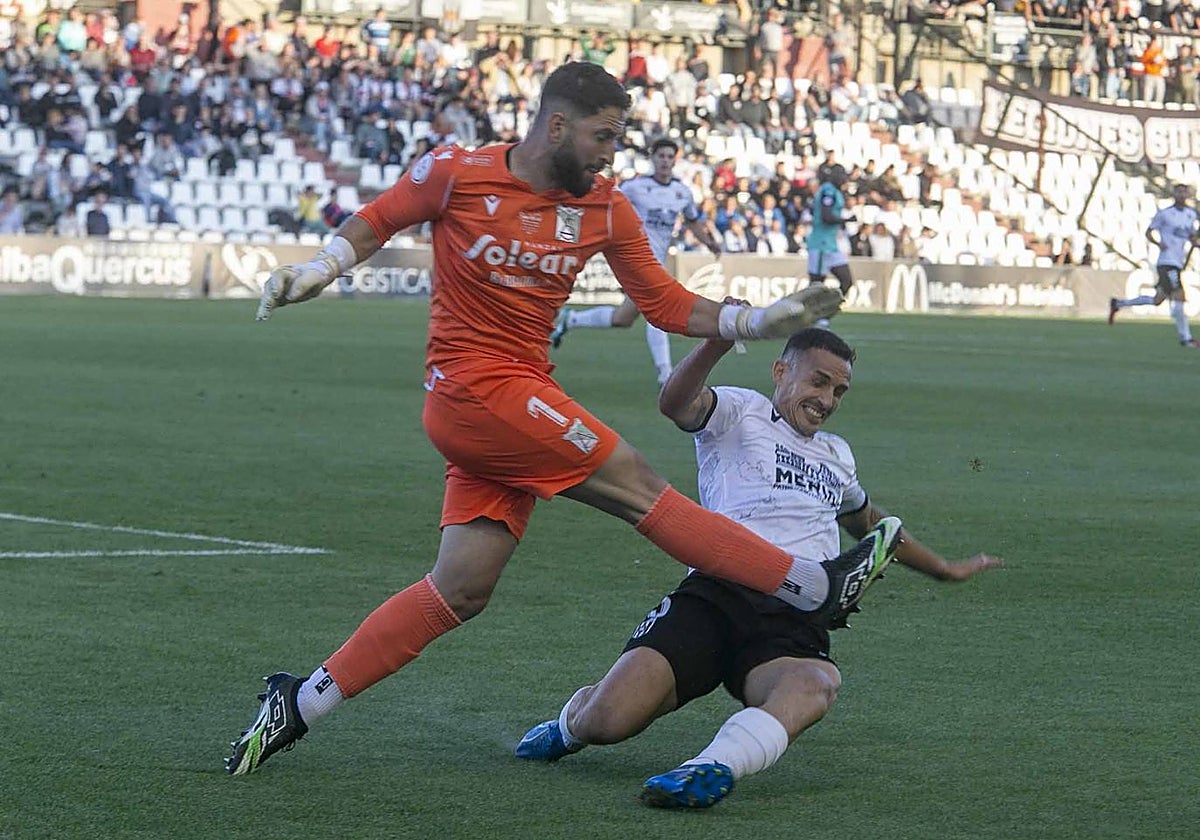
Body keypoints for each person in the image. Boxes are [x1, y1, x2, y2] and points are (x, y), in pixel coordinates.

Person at [226, 62, 864, 777]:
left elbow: (660, 300)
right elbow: (377, 220)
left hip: (511, 406)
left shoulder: (605, 208)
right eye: (602, 136)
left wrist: (754, 320)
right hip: (476, 390)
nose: (609, 155)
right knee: (640, 485)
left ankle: (299, 702)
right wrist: (320, 267)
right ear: (556, 126)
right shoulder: (456, 172)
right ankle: (811, 584)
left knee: (460, 589)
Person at [515, 327, 1003, 809]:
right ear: (780, 371)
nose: (827, 399)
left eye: (839, 391)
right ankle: (567, 727)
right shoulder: (740, 411)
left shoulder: (837, 455)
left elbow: (873, 526)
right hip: (715, 592)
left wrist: (942, 569)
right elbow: (675, 403)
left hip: (796, 609)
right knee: (607, 721)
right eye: (818, 381)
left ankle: (713, 766)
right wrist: (718, 341)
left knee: (816, 684)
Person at [550, 137, 723, 387]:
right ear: (653, 159)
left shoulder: (682, 192)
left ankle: (572, 320)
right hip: (636, 260)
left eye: (669, 157)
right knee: (660, 308)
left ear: (675, 161)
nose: (665, 161)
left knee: (623, 318)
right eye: (661, 156)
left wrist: (709, 242)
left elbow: (692, 221)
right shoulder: (635, 187)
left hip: (657, 261)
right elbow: (607, 205)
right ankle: (666, 374)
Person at [1109, 183, 1200, 347]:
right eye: (1179, 192)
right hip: (1167, 262)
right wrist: (1159, 243)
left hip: (1177, 262)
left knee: (1157, 300)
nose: (1181, 195)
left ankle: (1118, 304)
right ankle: (1186, 338)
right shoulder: (1165, 214)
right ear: (1174, 194)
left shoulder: (1190, 214)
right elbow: (1149, 232)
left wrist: (1195, 243)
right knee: (1180, 295)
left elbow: (1190, 236)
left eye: (1184, 192)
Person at [805, 163, 856, 323]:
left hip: (830, 244)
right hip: (820, 244)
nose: (844, 179)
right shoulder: (828, 190)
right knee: (816, 285)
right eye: (841, 176)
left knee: (846, 280)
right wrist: (845, 220)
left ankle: (824, 314)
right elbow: (826, 216)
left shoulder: (833, 191)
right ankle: (810, 317)